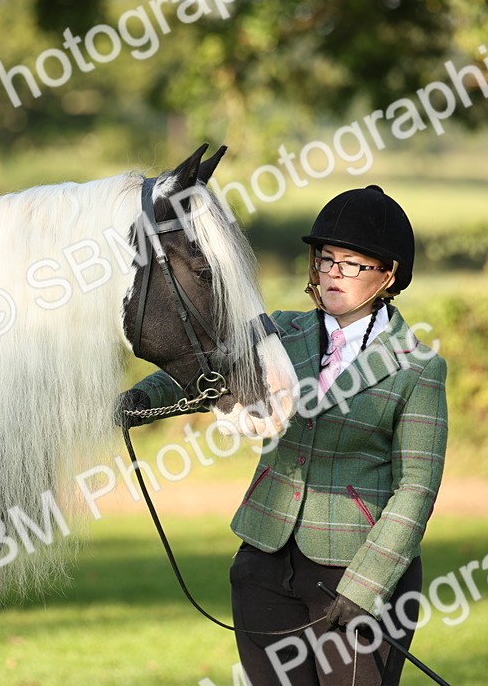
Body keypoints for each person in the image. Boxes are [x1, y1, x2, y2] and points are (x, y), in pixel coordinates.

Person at [120, 185, 448, 686]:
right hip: (265, 563)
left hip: (357, 574)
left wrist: (367, 586)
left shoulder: (419, 368)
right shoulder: (277, 334)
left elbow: (416, 488)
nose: (332, 273)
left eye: (351, 264)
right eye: (326, 260)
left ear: (388, 275)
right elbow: (210, 369)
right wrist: (139, 402)